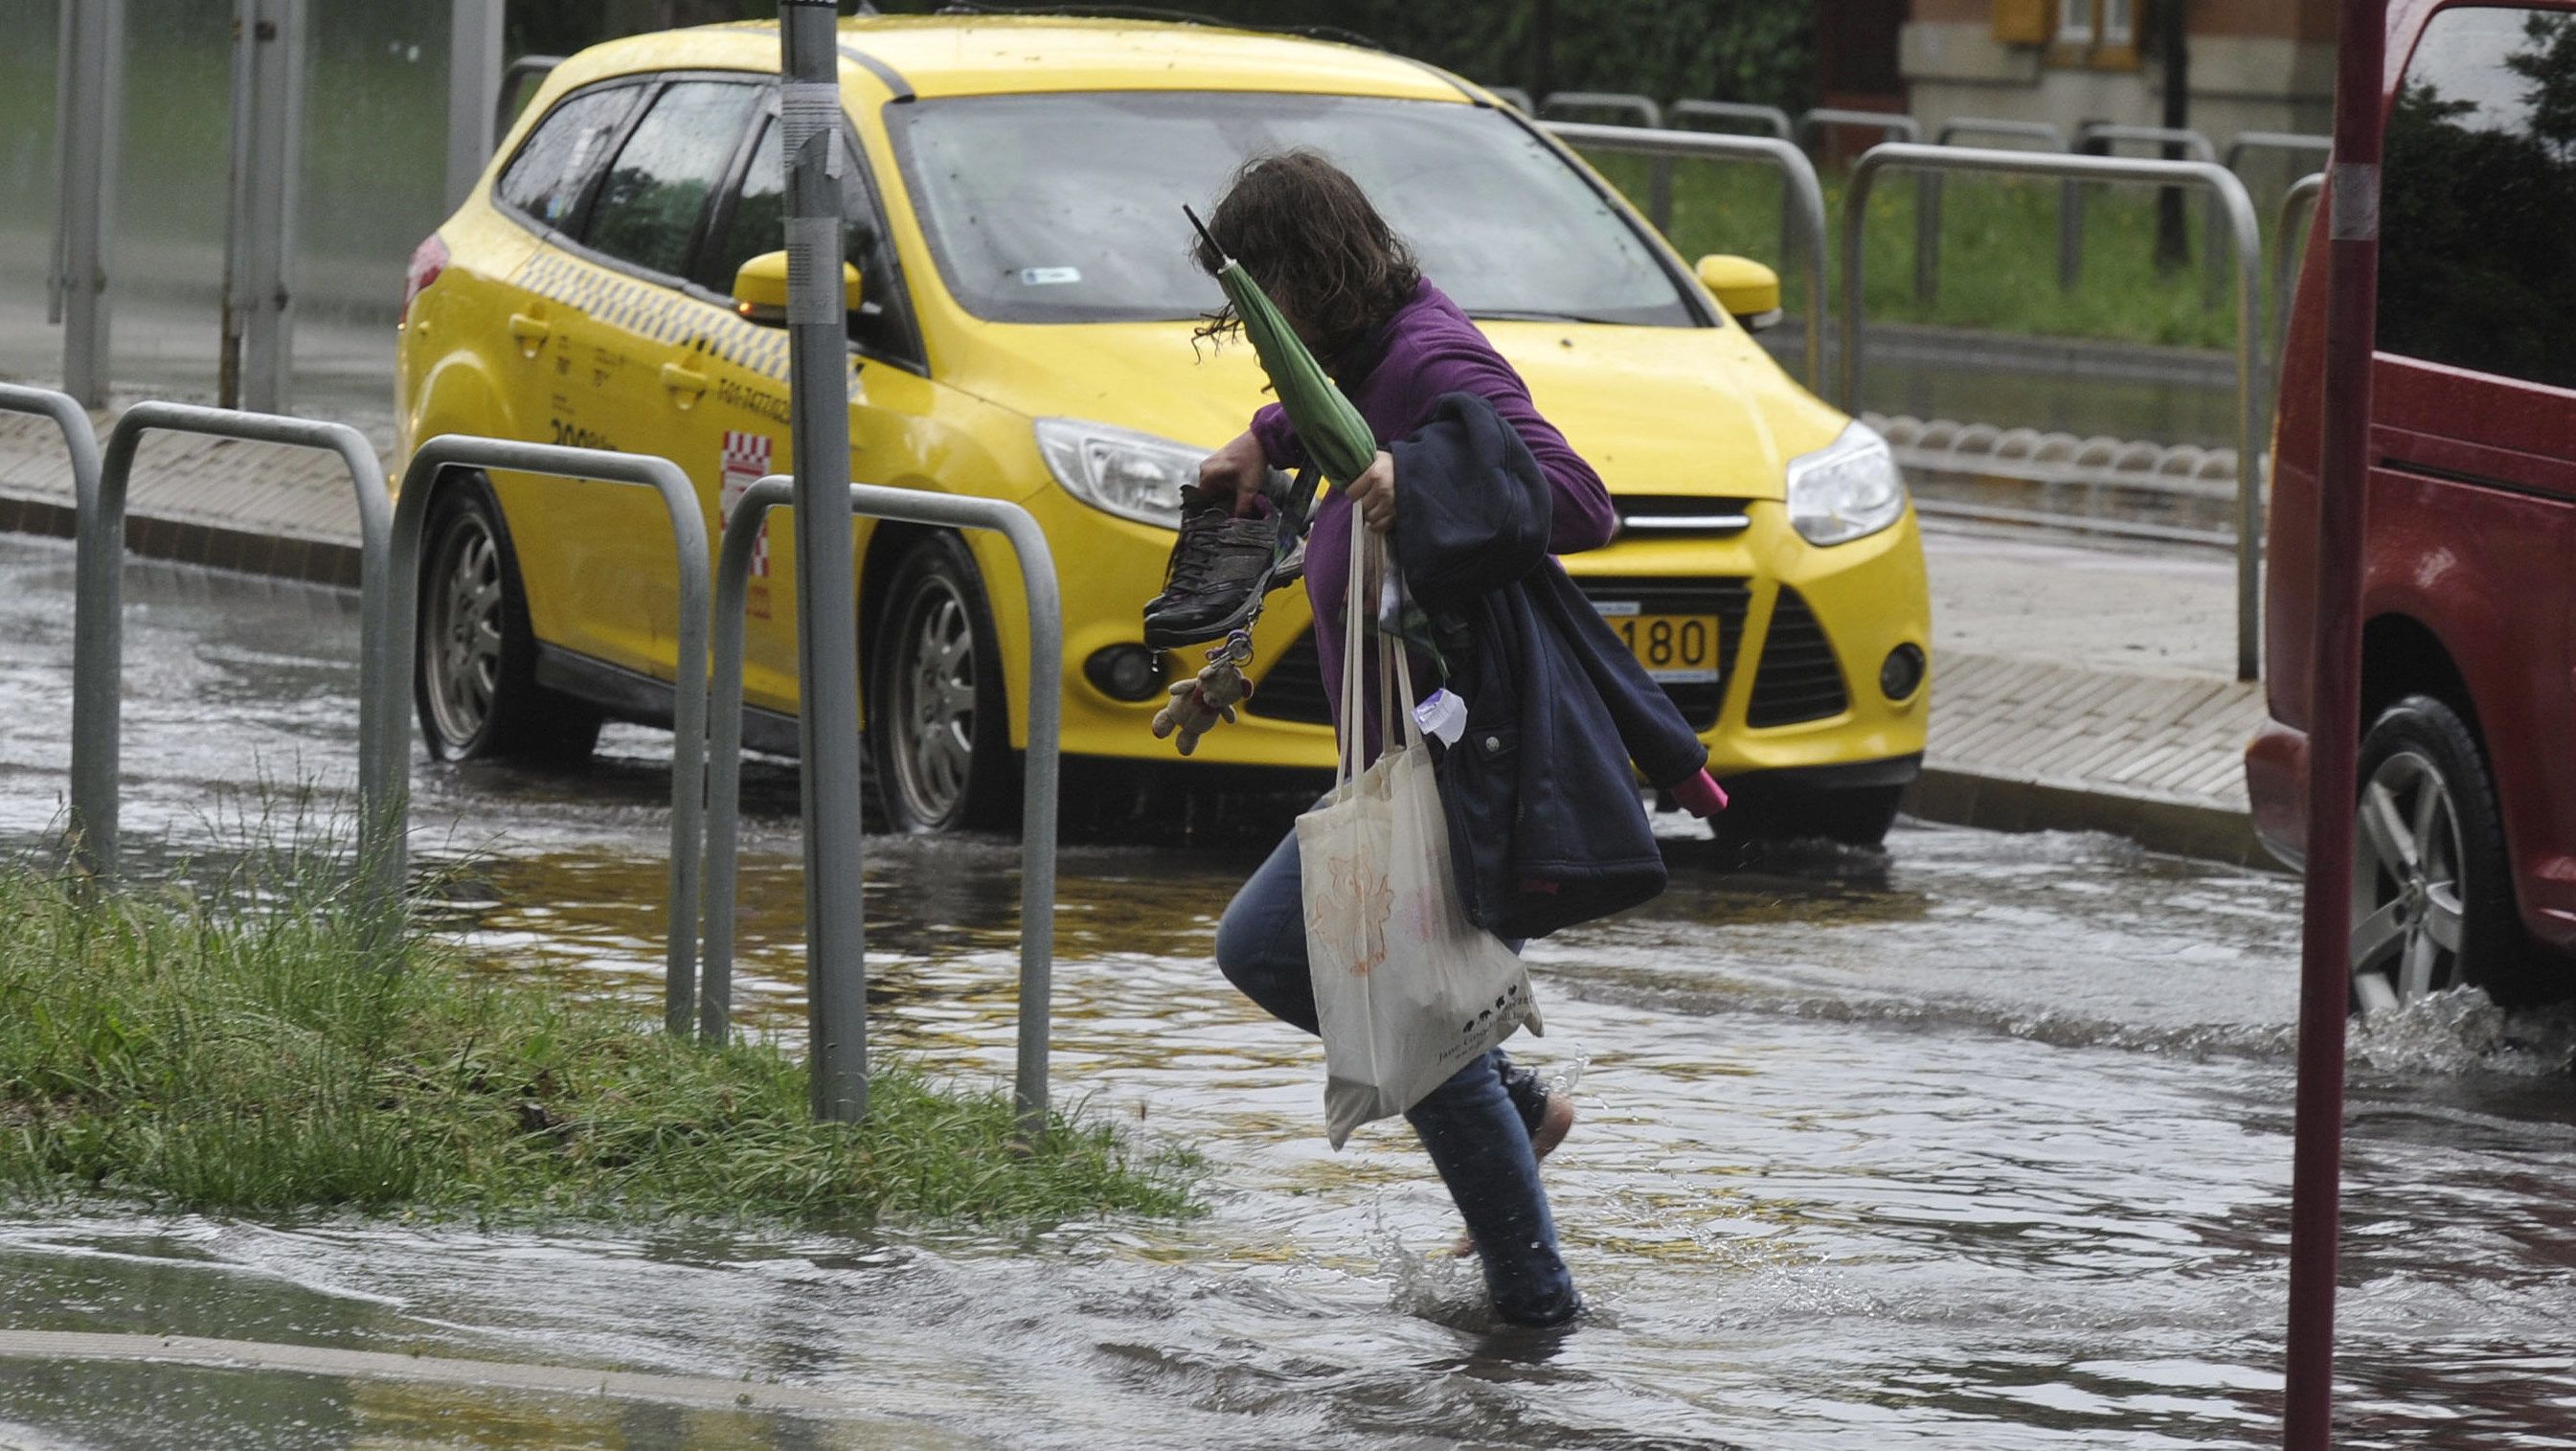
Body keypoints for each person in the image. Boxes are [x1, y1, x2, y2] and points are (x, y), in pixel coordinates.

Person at [1187, 150, 1719, 1329]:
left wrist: (1405, 479)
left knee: (1368, 1004)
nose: (1245, 327)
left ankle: (1533, 1313)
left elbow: (1572, 499)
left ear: (1306, 277)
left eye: (1255, 302)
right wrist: (1263, 439)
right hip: (1399, 773)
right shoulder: (1366, 355)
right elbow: (1335, 404)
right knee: (1306, 972)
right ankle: (1513, 1114)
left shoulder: (1432, 358)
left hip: (1470, 771)